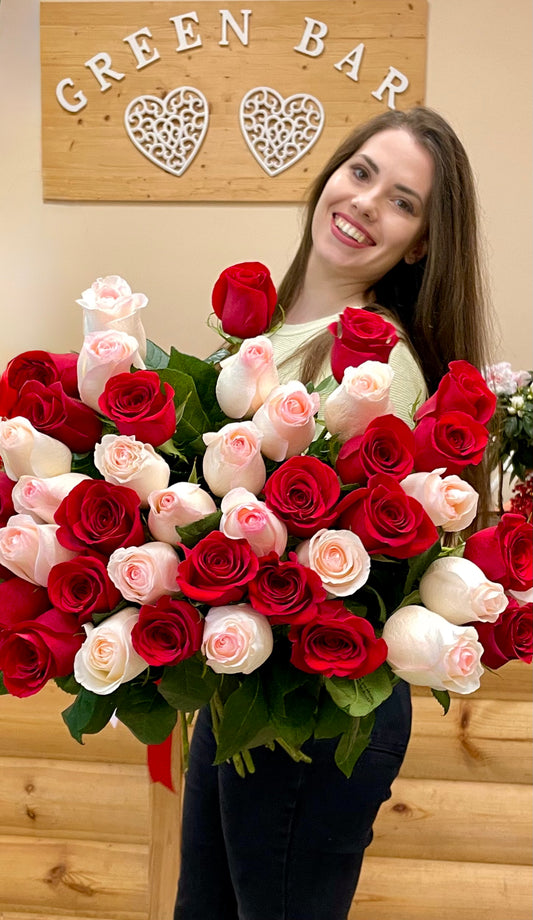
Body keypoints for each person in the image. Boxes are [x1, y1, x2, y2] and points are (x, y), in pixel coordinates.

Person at [174, 106, 494, 920]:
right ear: (329, 177)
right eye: (360, 173)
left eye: (401, 201)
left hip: (314, 709)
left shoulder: (378, 361)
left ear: (420, 243)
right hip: (245, 690)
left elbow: (354, 569)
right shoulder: (267, 337)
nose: (364, 204)